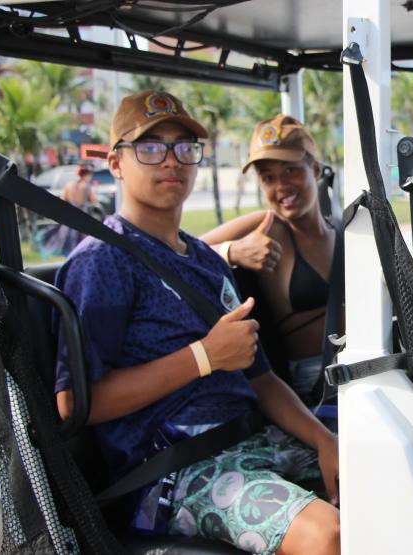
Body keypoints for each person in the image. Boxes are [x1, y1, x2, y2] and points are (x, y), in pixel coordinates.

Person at [53, 91, 339, 555]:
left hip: (256, 442)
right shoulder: (103, 260)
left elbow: (262, 379)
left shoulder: (205, 260)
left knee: (393, 482)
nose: (171, 161)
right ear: (116, 163)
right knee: (329, 535)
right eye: (150, 147)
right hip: (174, 473)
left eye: (184, 148)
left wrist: (325, 440)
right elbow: (74, 404)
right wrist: (203, 357)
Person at [201, 115, 339, 400]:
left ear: (313, 169)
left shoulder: (344, 227)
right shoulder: (267, 226)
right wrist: (230, 251)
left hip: (373, 363)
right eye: (268, 178)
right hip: (314, 382)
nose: (281, 186)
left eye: (291, 171)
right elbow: (174, 254)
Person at [34, 164, 98, 257]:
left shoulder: (69, 185)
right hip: (82, 217)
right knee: (82, 241)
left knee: (67, 240)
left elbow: (63, 199)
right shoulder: (86, 186)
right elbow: (94, 201)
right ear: (86, 175)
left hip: (70, 216)